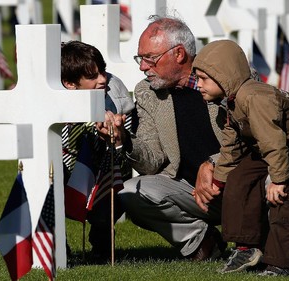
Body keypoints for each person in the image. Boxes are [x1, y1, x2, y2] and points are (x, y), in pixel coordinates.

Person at [97, 15, 230, 261]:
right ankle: (202, 242)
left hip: (237, 182)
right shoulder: (146, 92)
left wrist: (212, 163)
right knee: (131, 191)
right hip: (187, 190)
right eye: (141, 58)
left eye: (150, 58)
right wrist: (124, 138)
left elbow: (251, 141)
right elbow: (152, 160)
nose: (142, 66)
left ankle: (262, 246)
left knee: (270, 179)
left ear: (179, 54)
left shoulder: (228, 75)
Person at [192, 40, 289, 275]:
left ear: (224, 76)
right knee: (238, 178)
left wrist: (278, 180)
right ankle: (246, 247)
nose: (198, 85)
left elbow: (272, 141)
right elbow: (232, 147)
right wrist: (220, 179)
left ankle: (279, 263)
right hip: (274, 146)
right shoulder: (230, 102)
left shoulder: (254, 97)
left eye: (204, 78)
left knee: (282, 201)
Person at [61, 40, 135, 263]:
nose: (103, 79)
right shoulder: (53, 102)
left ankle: (102, 243)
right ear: (70, 84)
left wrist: (118, 137)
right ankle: (57, 247)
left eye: (102, 71)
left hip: (105, 173)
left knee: (111, 199)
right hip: (67, 173)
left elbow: (126, 159)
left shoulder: (117, 96)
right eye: (92, 76)